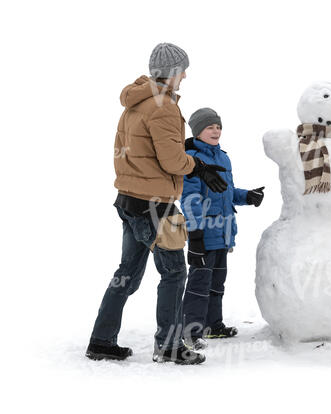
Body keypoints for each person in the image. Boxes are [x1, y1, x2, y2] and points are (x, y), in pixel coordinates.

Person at [86, 43, 228, 365]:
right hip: (154, 204)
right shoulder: (163, 106)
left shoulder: (134, 103)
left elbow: (139, 151)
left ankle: (101, 340)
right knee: (175, 272)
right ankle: (169, 345)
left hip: (129, 199)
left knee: (128, 273)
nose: (186, 76)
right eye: (183, 71)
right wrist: (200, 167)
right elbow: (172, 160)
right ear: (174, 72)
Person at [181, 108, 265, 350]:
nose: (216, 130)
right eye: (210, 127)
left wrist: (247, 196)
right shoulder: (191, 159)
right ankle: (190, 330)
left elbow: (226, 192)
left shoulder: (223, 157)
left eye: (218, 127)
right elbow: (189, 198)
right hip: (204, 232)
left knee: (217, 282)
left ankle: (212, 325)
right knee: (199, 284)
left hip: (224, 232)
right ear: (197, 132)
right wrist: (195, 234)